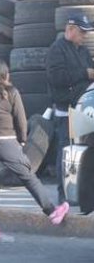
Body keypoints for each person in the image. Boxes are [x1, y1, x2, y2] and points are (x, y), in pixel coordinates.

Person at [0, 59, 69, 239]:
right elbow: (21, 121)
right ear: (5, 75)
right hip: (7, 142)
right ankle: (52, 212)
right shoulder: (11, 92)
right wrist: (22, 141)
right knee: (29, 177)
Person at [46, 14, 94, 203]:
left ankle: (83, 193)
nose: (84, 36)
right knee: (66, 152)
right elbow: (56, 78)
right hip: (66, 110)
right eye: (82, 32)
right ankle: (63, 195)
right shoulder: (56, 50)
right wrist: (84, 73)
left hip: (84, 109)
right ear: (70, 29)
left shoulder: (83, 51)